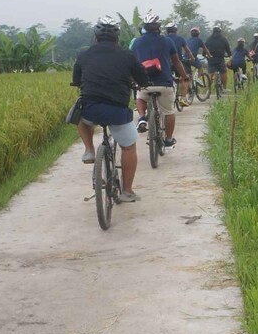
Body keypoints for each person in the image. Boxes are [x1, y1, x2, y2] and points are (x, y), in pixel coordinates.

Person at [71, 16, 149, 203]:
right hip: (118, 112)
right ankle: (127, 191)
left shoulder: (83, 55)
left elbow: (76, 81)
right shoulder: (127, 55)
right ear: (117, 37)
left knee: (78, 117)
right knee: (129, 147)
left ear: (95, 37)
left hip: (91, 110)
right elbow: (143, 80)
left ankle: (89, 149)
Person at [133, 12, 190, 150]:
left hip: (144, 84)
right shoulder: (167, 41)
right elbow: (176, 62)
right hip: (164, 83)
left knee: (140, 98)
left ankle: (141, 118)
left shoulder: (137, 42)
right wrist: (184, 76)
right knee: (169, 112)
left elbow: (132, 62)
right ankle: (169, 140)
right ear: (159, 27)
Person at [164, 22, 194, 107]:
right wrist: (192, 58)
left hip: (166, 64)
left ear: (167, 31)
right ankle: (183, 98)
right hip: (177, 63)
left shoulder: (164, 39)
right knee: (185, 78)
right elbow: (187, 50)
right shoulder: (180, 39)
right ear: (176, 30)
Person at [205, 25, 232, 90]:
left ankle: (208, 89)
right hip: (220, 59)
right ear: (220, 31)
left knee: (210, 74)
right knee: (223, 72)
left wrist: (204, 55)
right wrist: (229, 55)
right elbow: (227, 48)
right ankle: (224, 88)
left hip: (211, 59)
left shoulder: (209, 39)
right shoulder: (223, 39)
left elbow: (205, 48)